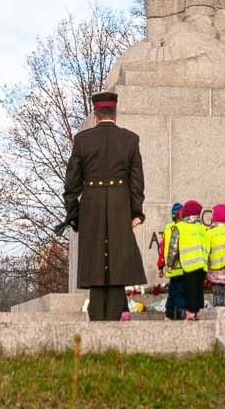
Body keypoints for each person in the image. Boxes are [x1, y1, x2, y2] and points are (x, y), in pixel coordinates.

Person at [63, 90, 148, 321]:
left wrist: (74, 215)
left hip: (91, 206)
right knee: (118, 265)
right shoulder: (130, 139)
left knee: (95, 267)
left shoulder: (82, 140)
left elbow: (71, 184)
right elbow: (137, 181)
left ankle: (98, 326)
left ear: (95, 114)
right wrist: (136, 212)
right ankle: (112, 325)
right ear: (115, 114)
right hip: (120, 206)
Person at [167, 199, 208, 320]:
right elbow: (206, 246)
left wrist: (170, 264)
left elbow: (174, 246)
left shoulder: (179, 227)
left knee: (189, 289)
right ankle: (195, 312)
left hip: (189, 264)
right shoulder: (201, 228)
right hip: (201, 264)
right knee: (198, 289)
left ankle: (190, 313)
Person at [159, 202, 185, 320]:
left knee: (173, 291)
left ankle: (169, 313)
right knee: (180, 291)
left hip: (171, 268)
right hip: (181, 267)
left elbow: (162, 248)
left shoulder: (168, 228)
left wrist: (160, 266)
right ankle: (180, 313)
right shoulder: (183, 228)